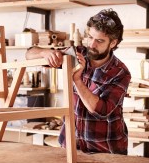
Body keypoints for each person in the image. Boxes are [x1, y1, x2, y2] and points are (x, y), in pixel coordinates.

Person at [25, 9, 131, 155]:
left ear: (113, 43)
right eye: (90, 37)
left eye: (99, 41)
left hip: (105, 149)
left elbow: (101, 111)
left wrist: (77, 80)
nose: (92, 45)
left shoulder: (120, 72)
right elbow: (29, 54)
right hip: (71, 145)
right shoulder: (76, 54)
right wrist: (45, 53)